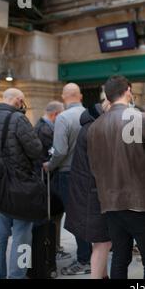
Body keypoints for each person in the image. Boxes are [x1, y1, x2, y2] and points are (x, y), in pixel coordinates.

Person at [87, 75, 145, 279]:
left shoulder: (94, 127)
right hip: (141, 202)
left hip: (110, 203)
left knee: (119, 258)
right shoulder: (140, 118)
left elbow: (94, 168)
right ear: (127, 91)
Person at [0, 88, 43, 279]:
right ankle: (18, 276)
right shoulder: (19, 120)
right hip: (20, 188)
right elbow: (36, 150)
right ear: (19, 101)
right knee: (23, 237)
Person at [43, 83, 92, 275]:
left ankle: (84, 259)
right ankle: (88, 255)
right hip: (88, 173)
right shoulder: (91, 115)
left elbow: (60, 150)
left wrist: (50, 165)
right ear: (80, 96)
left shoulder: (63, 118)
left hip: (68, 174)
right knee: (86, 215)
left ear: (64, 97)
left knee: (75, 218)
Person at [65, 96, 112, 279]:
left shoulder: (89, 126)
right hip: (93, 196)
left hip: (87, 194)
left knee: (100, 242)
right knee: (103, 243)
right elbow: (102, 166)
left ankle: (103, 276)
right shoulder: (97, 130)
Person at [34, 101, 69, 260]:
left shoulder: (42, 126)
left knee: (55, 216)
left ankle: (55, 247)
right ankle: (53, 248)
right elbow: (53, 154)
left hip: (48, 180)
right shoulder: (45, 130)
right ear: (55, 114)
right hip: (48, 180)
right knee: (54, 216)